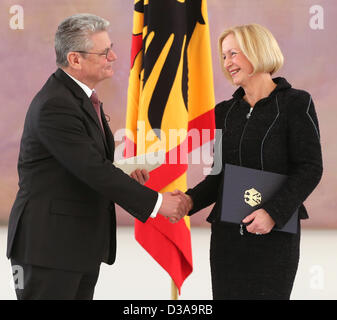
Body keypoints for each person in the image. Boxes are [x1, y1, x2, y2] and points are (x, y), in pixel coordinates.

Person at [6, 13, 188, 300]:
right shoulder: (56, 105)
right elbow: (92, 169)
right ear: (75, 59)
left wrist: (125, 171)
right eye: (104, 52)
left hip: (75, 247)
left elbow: (83, 165)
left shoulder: (78, 97)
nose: (114, 56)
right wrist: (157, 204)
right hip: (50, 249)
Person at [176, 23, 323, 299]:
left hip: (275, 234)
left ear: (257, 50)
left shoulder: (296, 103)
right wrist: (189, 201)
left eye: (233, 53)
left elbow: (310, 168)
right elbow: (218, 176)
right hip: (227, 238)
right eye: (223, 56)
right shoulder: (224, 112)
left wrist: (272, 214)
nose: (227, 63)